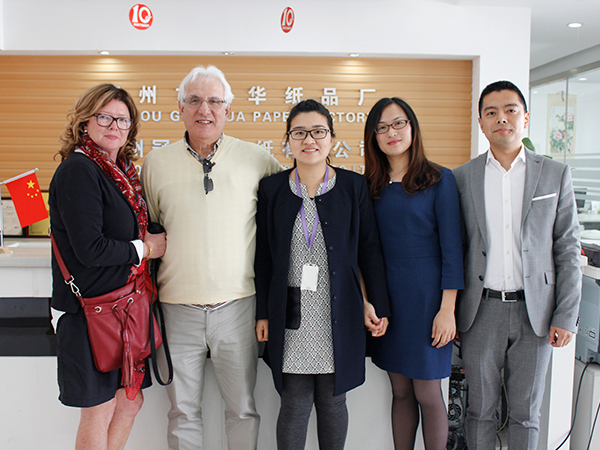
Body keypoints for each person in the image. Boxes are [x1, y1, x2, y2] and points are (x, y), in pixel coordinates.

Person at [140, 65, 281, 450]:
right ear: (181, 108)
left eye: (215, 101)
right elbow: (152, 228)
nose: (205, 109)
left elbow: (283, 215)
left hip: (238, 307)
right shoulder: (155, 164)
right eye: (195, 101)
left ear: (228, 110)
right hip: (175, 310)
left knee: (243, 409)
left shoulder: (257, 159)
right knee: (182, 412)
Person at [254, 99, 390, 450]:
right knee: (294, 402)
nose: (309, 140)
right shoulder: (272, 189)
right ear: (288, 139)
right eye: (299, 133)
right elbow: (264, 256)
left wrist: (374, 303)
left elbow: (369, 251)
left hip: (338, 310)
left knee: (333, 401)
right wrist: (263, 313)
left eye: (318, 132)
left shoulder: (353, 187)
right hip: (291, 313)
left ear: (331, 138)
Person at [453, 80, 581, 450]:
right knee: (480, 411)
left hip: (536, 313)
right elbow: (456, 248)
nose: (501, 118)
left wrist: (566, 315)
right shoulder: (462, 177)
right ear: (481, 123)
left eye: (510, 110)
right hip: (481, 311)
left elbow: (567, 248)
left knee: (526, 413)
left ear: (525, 118)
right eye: (491, 112)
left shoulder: (555, 174)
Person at [49, 83, 166, 450]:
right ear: (85, 121)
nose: (114, 126)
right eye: (104, 117)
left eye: (122, 120)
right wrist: (146, 249)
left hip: (123, 309)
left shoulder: (121, 172)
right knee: (99, 410)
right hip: (90, 312)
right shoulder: (79, 170)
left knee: (129, 401)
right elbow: (91, 249)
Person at [363, 97, 464, 450]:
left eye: (398, 123)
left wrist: (447, 310)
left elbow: (453, 250)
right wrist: (369, 301)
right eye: (382, 127)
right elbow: (364, 252)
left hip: (427, 301)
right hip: (388, 300)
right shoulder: (369, 186)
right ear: (373, 136)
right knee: (401, 391)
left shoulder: (439, 179)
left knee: (428, 392)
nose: (391, 132)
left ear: (412, 127)